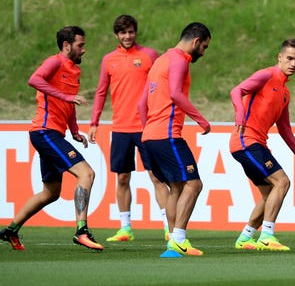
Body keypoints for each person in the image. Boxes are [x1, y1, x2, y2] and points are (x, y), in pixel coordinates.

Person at [0, 26, 104, 251]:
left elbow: (70, 103)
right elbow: (34, 80)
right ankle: (81, 230)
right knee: (86, 173)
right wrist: (66, 96)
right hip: (44, 132)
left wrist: (74, 130)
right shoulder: (54, 62)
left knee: (51, 193)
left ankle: (11, 230)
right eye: (80, 45)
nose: (84, 50)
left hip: (52, 133)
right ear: (67, 46)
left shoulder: (74, 71)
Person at [230, 39, 295, 251]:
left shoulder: (284, 93)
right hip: (246, 141)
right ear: (279, 57)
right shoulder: (266, 75)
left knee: (271, 191)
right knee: (282, 182)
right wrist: (240, 113)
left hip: (254, 143)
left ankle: (245, 237)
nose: (293, 64)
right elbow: (236, 91)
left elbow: (285, 130)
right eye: (289, 58)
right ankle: (267, 236)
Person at [89, 15, 169, 242]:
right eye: (123, 33)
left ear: (136, 32)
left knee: (156, 176)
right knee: (122, 178)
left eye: (131, 32)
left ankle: (168, 225)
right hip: (121, 128)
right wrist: (94, 122)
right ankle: (125, 228)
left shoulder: (149, 56)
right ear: (116, 35)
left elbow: (161, 85)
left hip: (147, 127)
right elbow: (101, 92)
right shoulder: (108, 60)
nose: (127, 36)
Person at [138, 22, 212, 257]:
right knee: (194, 184)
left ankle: (173, 242)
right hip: (167, 135)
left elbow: (141, 104)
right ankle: (179, 239)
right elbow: (175, 94)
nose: (204, 52)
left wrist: (148, 131)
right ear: (196, 42)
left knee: (176, 188)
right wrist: (202, 120)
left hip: (150, 136)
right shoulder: (180, 60)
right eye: (205, 47)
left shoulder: (160, 60)